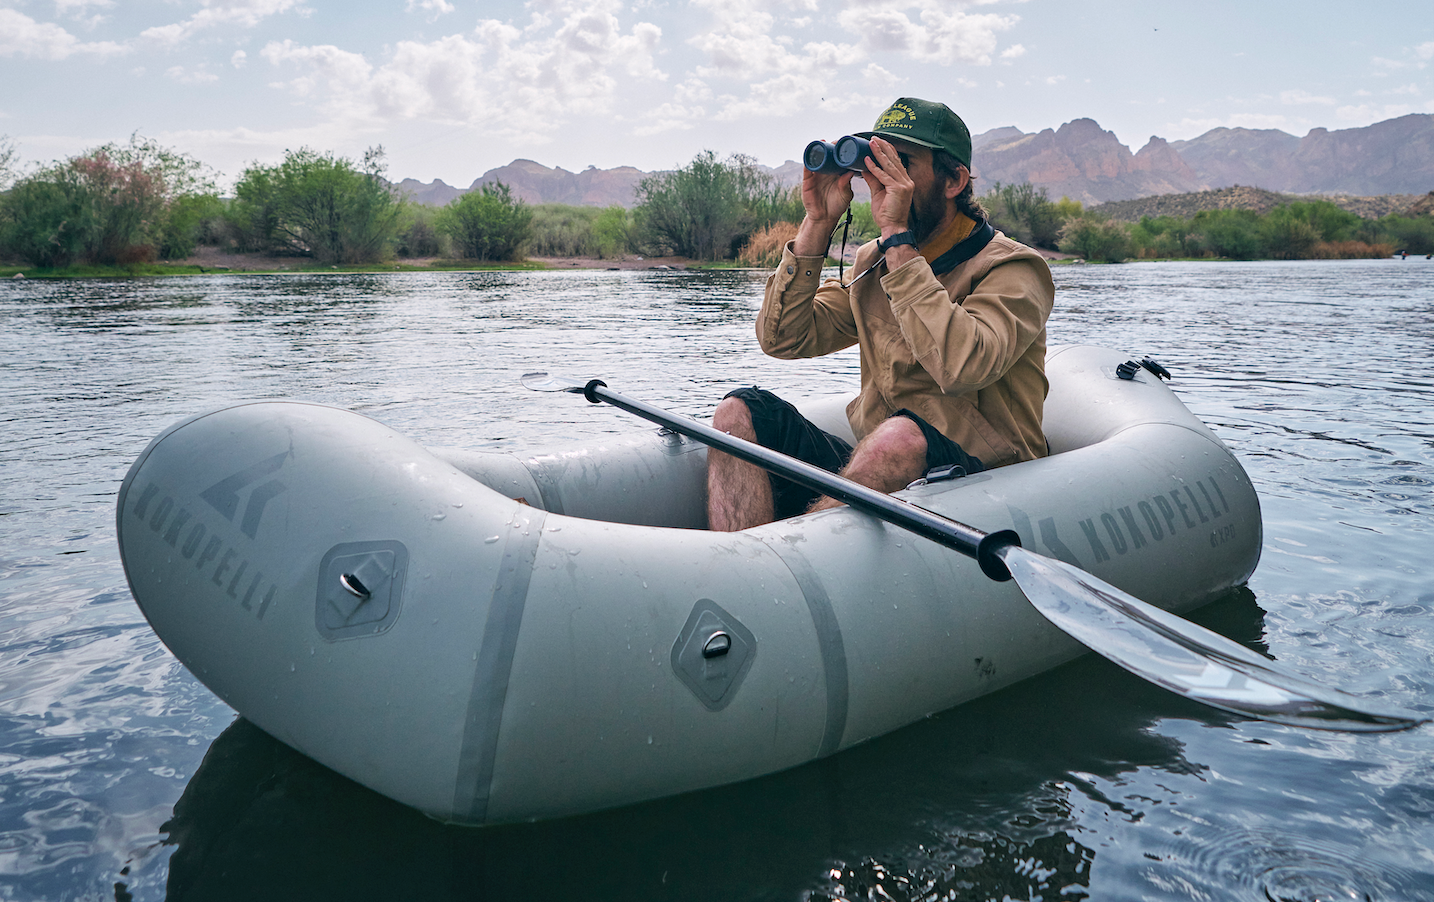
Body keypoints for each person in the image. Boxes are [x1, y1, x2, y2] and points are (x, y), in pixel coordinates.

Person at [707, 97, 1055, 531]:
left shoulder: (1012, 268)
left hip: (984, 474)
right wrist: (817, 223)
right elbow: (784, 339)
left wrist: (897, 240)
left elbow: (963, 367)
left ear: (953, 181)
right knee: (738, 411)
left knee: (898, 436)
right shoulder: (875, 260)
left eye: (901, 162)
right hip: (884, 461)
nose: (883, 175)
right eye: (876, 159)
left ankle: (795, 561)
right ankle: (741, 569)